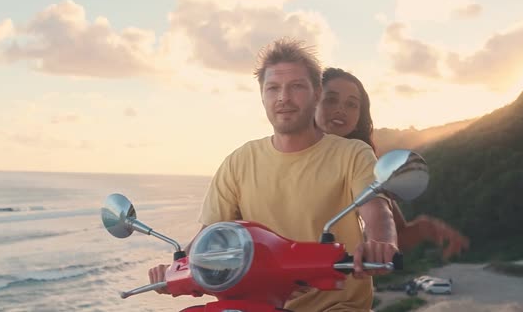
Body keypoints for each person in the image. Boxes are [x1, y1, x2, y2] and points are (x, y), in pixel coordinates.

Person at [149, 38, 398, 311]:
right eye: (273, 88)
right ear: (263, 96)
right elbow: (211, 235)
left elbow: (376, 211)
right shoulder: (239, 161)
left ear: (316, 94)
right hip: (256, 303)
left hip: (335, 305)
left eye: (296, 87)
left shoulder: (353, 154)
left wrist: (380, 244)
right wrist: (175, 268)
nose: (283, 98)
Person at [314, 67, 469, 259]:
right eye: (331, 100)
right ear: (312, 102)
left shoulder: (361, 161)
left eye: (352, 105)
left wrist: (421, 229)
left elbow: (391, 230)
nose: (341, 109)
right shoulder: (274, 156)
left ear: (359, 116)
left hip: (341, 278)